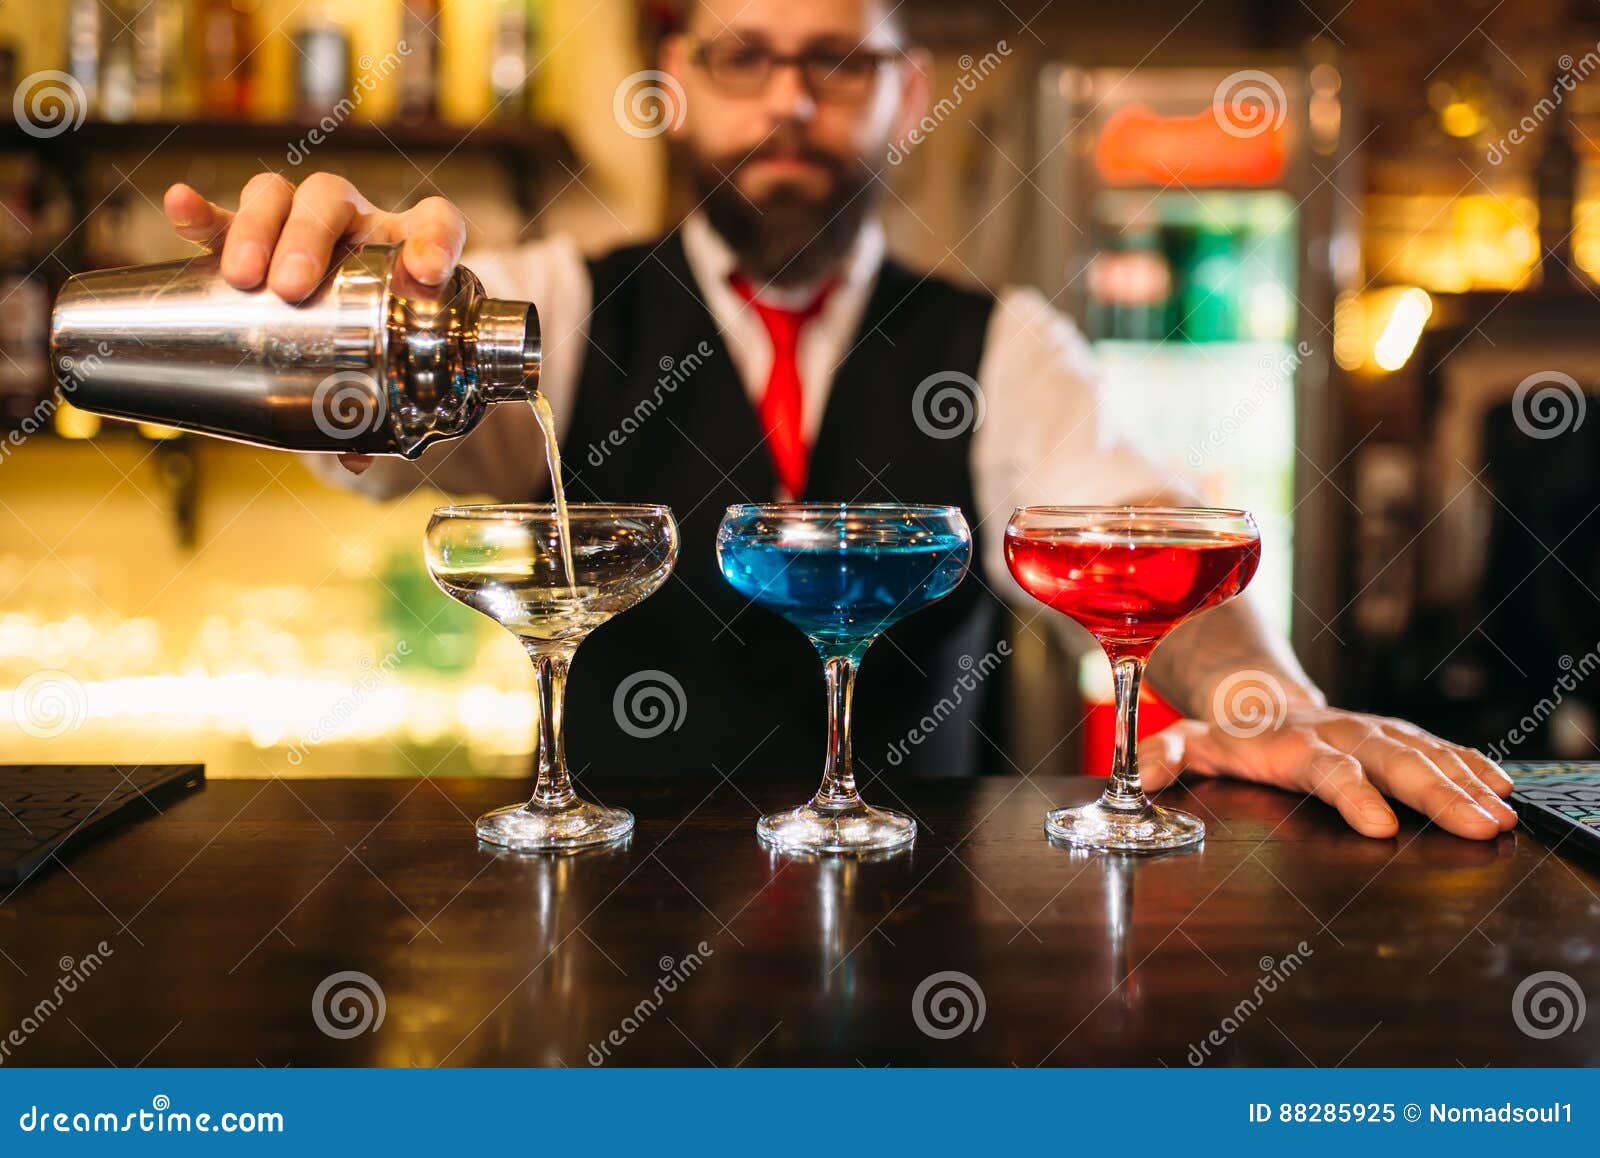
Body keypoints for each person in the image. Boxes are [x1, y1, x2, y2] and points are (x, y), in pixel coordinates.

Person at [160, 0, 1517, 841]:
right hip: (616, 948)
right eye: (746, 57)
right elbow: (398, 434)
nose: (791, 103)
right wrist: (350, 336)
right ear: (678, 80)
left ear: (905, 91)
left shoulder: (1004, 343)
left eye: (835, 61)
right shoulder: (555, 304)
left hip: (936, 967)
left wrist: (1261, 695)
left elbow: (1137, 531)